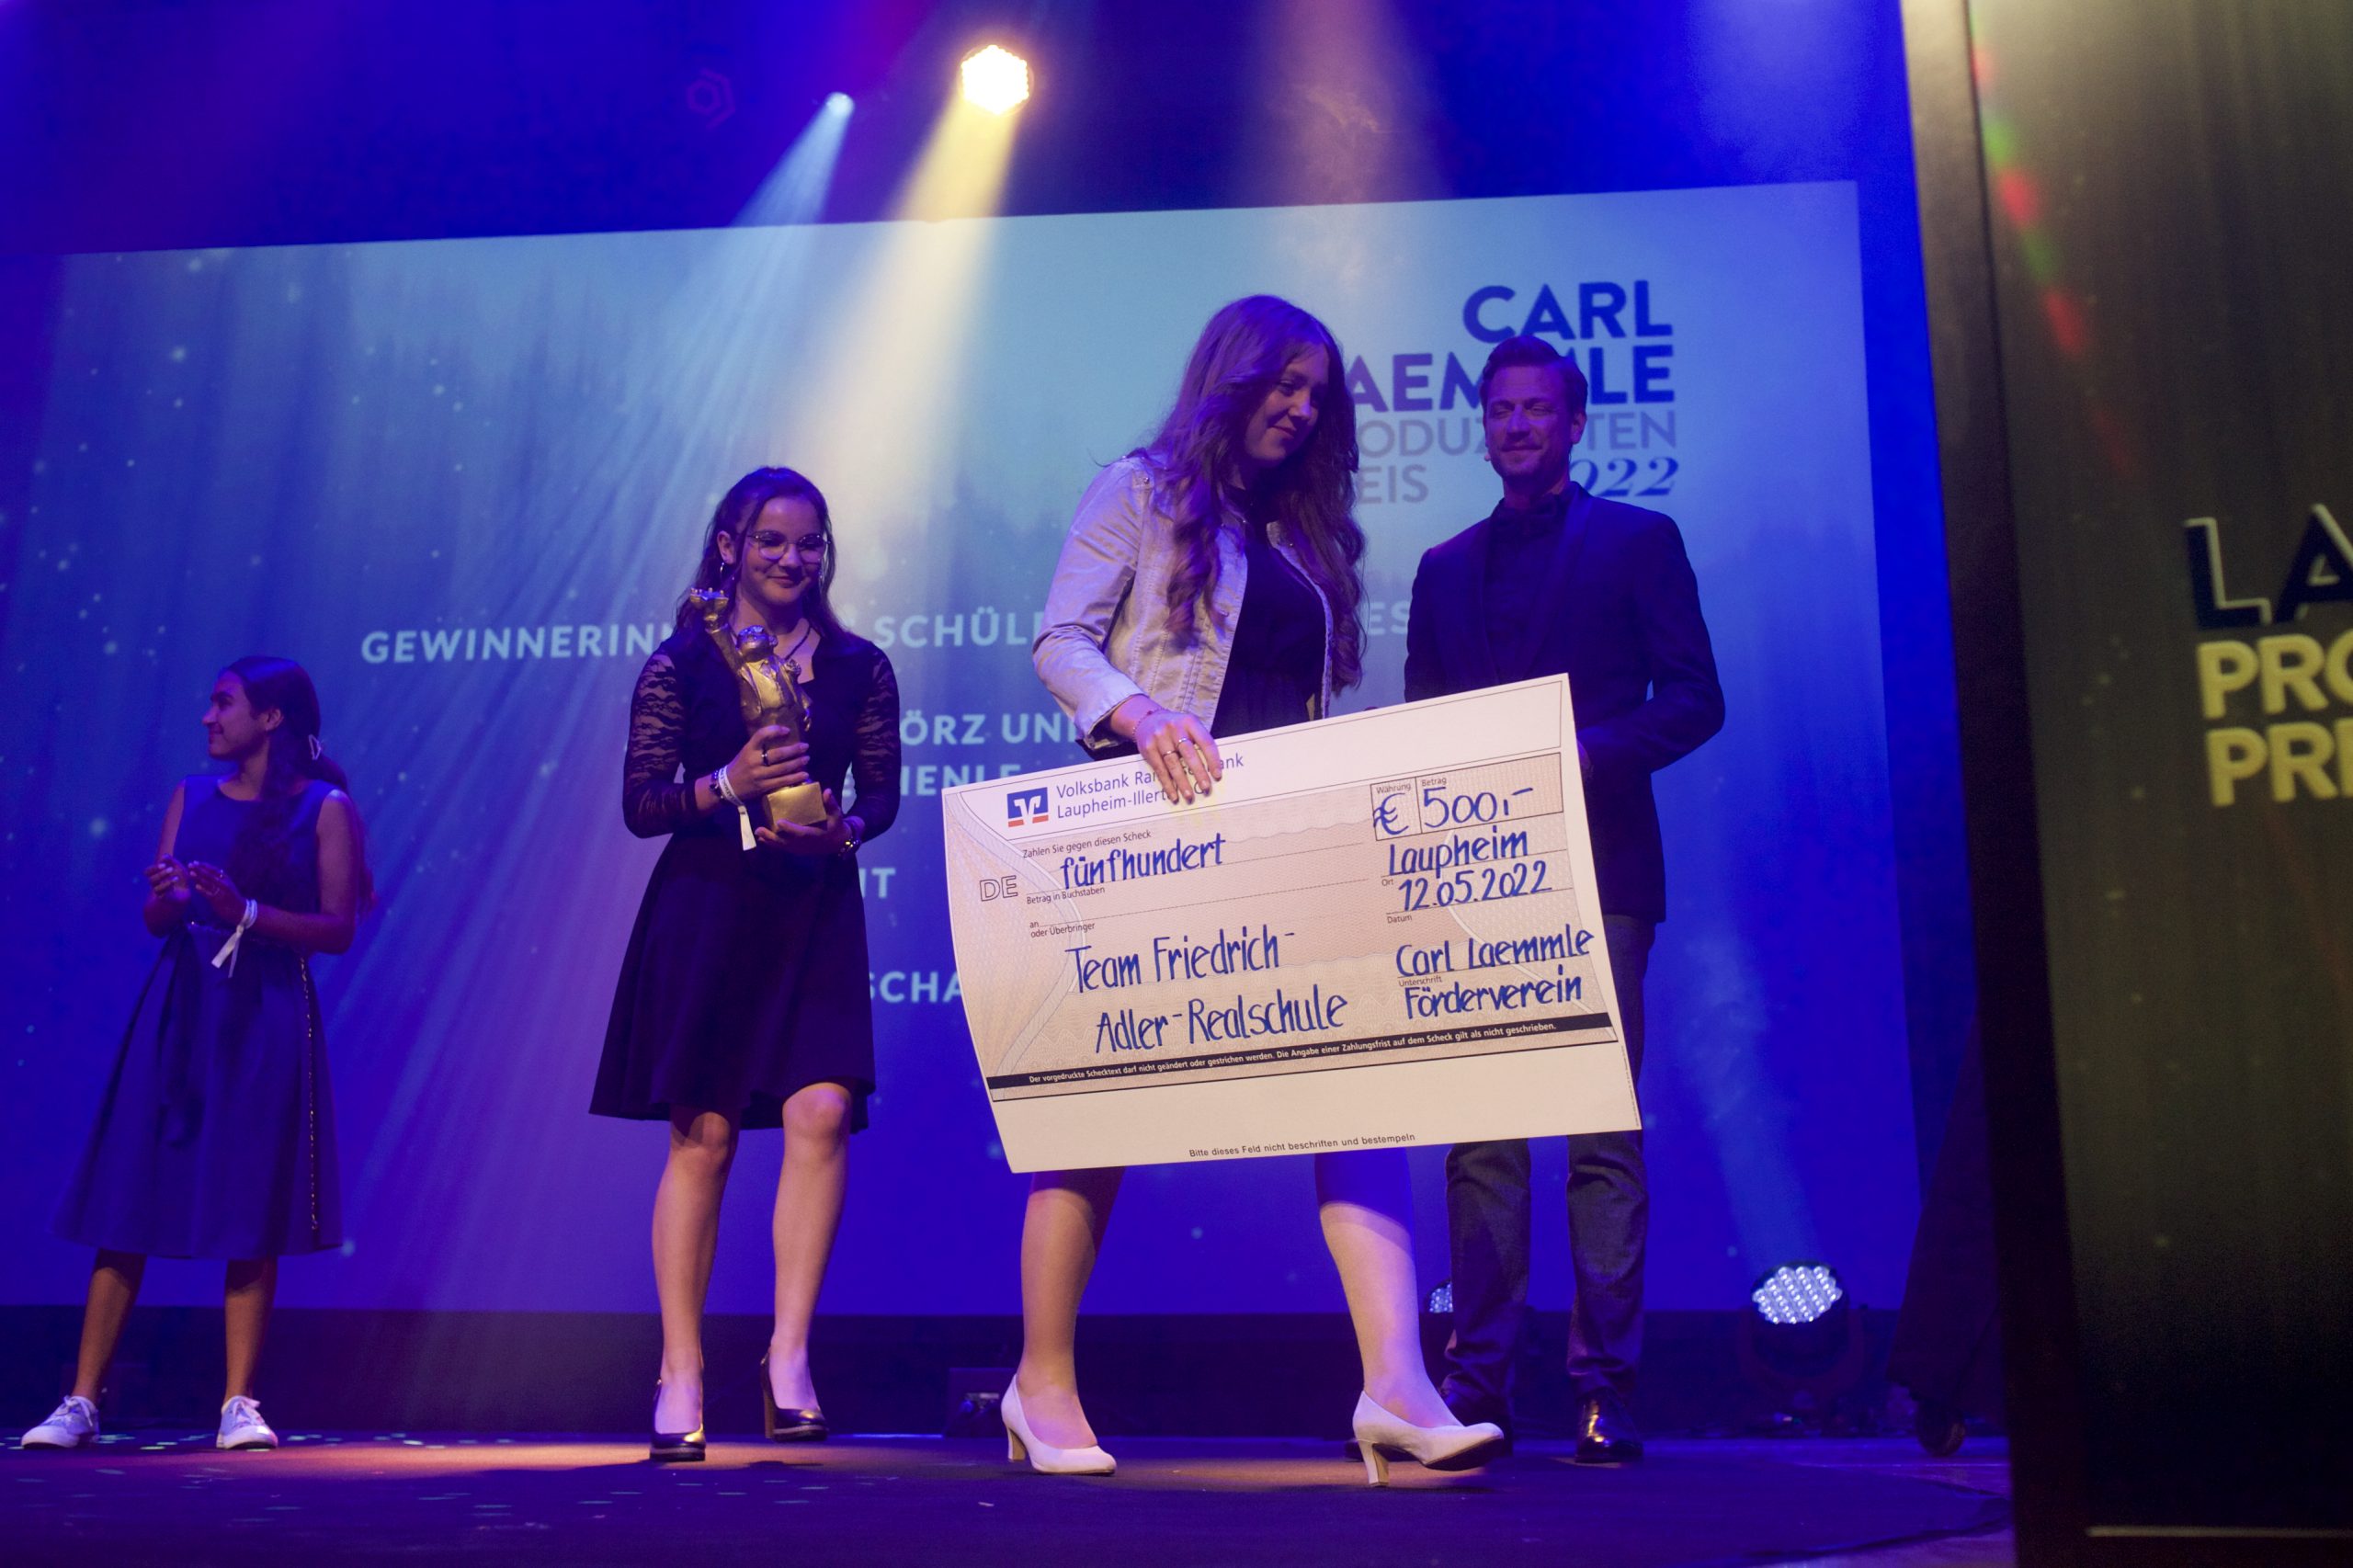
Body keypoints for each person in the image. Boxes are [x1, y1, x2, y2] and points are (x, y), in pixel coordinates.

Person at [1019, 294, 1506, 1484]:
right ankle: (1042, 1384)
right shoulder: (1139, 490)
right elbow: (1061, 639)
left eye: (1315, 394)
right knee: (1099, 1110)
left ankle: (1396, 1383)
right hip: (1153, 831)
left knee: (1357, 1095)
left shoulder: (1303, 534)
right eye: (1282, 384)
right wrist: (1141, 713)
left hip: (1280, 839)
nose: (1299, 408)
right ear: (1231, 379)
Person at [1404, 334, 1723, 1463]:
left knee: (1599, 1130)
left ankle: (1604, 1387)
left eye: (1537, 409)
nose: (1517, 425)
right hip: (1475, 880)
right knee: (1481, 1137)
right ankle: (1476, 1379)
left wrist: (1581, 754)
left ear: (1576, 424)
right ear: (1483, 426)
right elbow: (1422, 728)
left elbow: (1695, 698)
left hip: (1602, 866)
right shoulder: (1441, 567)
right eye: (1500, 409)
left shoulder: (1638, 540)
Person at [593, 466, 900, 1462]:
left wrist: (843, 829)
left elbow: (882, 796)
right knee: (706, 1136)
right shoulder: (681, 663)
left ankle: (789, 1358)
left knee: (822, 1113)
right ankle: (680, 1369)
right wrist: (724, 784)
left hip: (814, 910)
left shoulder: (858, 665)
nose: (791, 558)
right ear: (729, 545)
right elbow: (643, 803)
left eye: (808, 542)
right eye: (770, 540)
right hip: (708, 911)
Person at [23, 657, 372, 1453]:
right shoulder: (191, 796)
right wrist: (172, 899)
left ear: (271, 717)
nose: (209, 718)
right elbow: (159, 918)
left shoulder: (325, 808)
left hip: (266, 1013)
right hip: (181, 1009)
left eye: (224, 703)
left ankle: (238, 1402)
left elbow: (337, 928)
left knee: (251, 1204)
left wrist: (244, 911)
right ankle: (81, 1401)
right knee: (129, 1195)